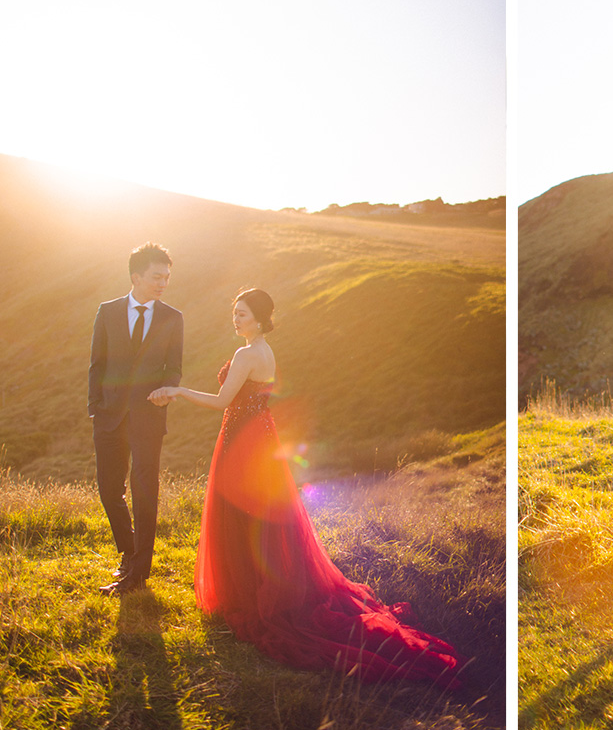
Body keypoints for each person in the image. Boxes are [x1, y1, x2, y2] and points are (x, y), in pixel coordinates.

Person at [149, 289, 463, 688]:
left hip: (243, 439)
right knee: (259, 517)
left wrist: (177, 391)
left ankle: (247, 592)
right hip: (262, 437)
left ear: (260, 319)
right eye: (234, 313)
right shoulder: (264, 349)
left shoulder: (247, 354)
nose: (235, 319)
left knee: (242, 514)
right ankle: (255, 584)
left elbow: (221, 401)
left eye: (242, 314)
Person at [88, 242, 184, 595]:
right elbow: (97, 364)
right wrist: (95, 408)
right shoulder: (107, 311)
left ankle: (138, 573)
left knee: (146, 491)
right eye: (157, 277)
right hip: (108, 417)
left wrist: (166, 390)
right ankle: (129, 553)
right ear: (136, 277)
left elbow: (174, 367)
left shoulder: (173, 317)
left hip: (148, 417)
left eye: (167, 278)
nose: (163, 283)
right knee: (109, 490)